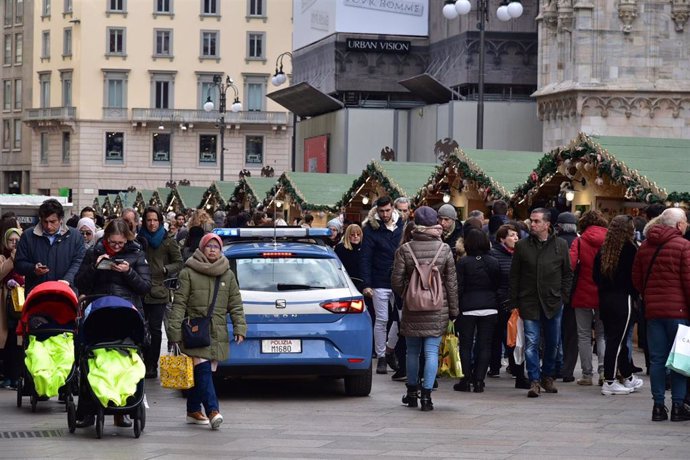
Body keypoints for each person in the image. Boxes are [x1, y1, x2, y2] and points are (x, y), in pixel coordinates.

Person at [74, 218, 152, 429]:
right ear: (106, 237)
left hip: (126, 312)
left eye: (120, 243)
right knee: (92, 358)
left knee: (125, 359)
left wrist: (128, 272)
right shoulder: (94, 252)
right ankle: (88, 409)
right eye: (113, 242)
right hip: (99, 310)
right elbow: (80, 282)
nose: (117, 246)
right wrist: (96, 267)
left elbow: (145, 287)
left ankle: (124, 409)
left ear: (127, 238)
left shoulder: (136, 254)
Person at [166, 233, 246, 429]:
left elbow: (235, 304)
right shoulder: (189, 272)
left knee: (202, 371)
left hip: (216, 331)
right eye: (209, 246)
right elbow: (179, 304)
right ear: (201, 248)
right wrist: (174, 332)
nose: (212, 249)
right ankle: (213, 410)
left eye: (216, 246)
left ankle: (193, 410)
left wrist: (239, 327)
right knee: (203, 370)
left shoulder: (227, 274)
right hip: (195, 331)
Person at [391, 206, 458, 411]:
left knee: (412, 351)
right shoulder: (444, 249)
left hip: (413, 308)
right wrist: (454, 310)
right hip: (438, 307)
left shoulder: (405, 249)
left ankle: (412, 393)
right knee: (431, 352)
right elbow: (451, 283)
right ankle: (427, 397)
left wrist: (409, 294)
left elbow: (396, 280)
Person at [632, 208, 690, 421]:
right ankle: (677, 405)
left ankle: (658, 406)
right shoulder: (684, 246)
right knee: (679, 359)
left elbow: (637, 279)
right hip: (679, 312)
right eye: (685, 222)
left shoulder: (645, 246)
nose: (686, 226)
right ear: (678, 225)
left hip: (653, 312)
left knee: (656, 360)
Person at [510, 207, 572, 398]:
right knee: (531, 343)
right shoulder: (522, 246)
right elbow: (515, 276)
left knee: (553, 343)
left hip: (553, 302)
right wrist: (514, 301)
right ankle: (534, 380)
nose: (532, 224)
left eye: (536, 221)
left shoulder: (560, 245)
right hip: (529, 301)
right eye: (531, 221)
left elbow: (567, 273)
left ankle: (547, 376)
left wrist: (563, 296)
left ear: (547, 224)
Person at [593, 215, 643, 396]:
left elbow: (595, 278)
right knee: (618, 342)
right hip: (624, 299)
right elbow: (634, 278)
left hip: (605, 299)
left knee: (614, 339)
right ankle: (610, 380)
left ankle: (627, 376)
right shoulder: (630, 249)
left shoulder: (604, 250)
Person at [360, 196, 404, 374]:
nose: (385, 214)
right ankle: (382, 357)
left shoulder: (402, 223)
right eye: (381, 211)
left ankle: (389, 349)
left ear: (392, 208)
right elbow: (365, 258)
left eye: (387, 210)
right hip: (379, 279)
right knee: (382, 319)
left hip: (399, 278)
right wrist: (366, 283)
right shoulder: (371, 228)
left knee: (400, 318)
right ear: (377, 210)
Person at [139, 206, 183, 379]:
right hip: (140, 289)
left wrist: (165, 269)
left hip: (159, 290)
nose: (152, 223)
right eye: (149, 220)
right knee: (141, 328)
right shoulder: (139, 238)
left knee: (155, 329)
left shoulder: (168, 240)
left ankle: (152, 364)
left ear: (160, 221)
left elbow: (179, 262)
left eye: (155, 220)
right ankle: (141, 360)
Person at [454, 229, 500, 393]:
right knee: (484, 344)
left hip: (468, 307)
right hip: (489, 306)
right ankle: (479, 380)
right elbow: (497, 284)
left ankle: (465, 379)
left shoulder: (463, 263)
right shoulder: (493, 262)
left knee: (465, 345)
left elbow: (458, 287)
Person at [488, 223, 529, 388]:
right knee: (497, 336)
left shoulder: (520, 254)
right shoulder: (494, 255)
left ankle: (517, 371)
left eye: (517, 235)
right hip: (499, 301)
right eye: (512, 235)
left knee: (515, 338)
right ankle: (493, 367)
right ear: (502, 239)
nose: (516, 238)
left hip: (515, 303)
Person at [570, 210, 608, 386]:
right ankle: (603, 371)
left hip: (583, 291)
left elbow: (570, 265)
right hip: (603, 292)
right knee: (602, 334)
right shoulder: (609, 241)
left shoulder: (579, 241)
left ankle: (586, 374)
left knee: (584, 335)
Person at [15, 199, 85, 294]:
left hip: (66, 294)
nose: (48, 226)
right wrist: (33, 269)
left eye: (53, 221)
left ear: (61, 219)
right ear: (40, 219)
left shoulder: (75, 236)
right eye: (45, 222)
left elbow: (78, 262)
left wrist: (67, 280)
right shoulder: (28, 236)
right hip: (36, 294)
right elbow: (18, 264)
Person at [555, 212, 579, 383]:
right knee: (572, 333)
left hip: (556, 292)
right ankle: (568, 369)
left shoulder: (555, 243)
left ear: (558, 226)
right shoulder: (580, 241)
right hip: (577, 293)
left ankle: (555, 366)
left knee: (555, 330)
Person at [1, 227, 24, 389]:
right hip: (5, 304)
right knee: (7, 340)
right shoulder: (3, 257)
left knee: (18, 341)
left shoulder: (25, 256)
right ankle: (8, 375)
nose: (14, 243)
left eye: (17, 240)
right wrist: (11, 259)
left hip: (21, 303)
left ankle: (17, 376)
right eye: (11, 240)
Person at [334, 224, 363, 292]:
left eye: (358, 234)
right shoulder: (340, 248)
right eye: (352, 234)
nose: (356, 236)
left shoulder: (365, 248)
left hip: (361, 284)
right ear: (348, 235)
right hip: (345, 283)